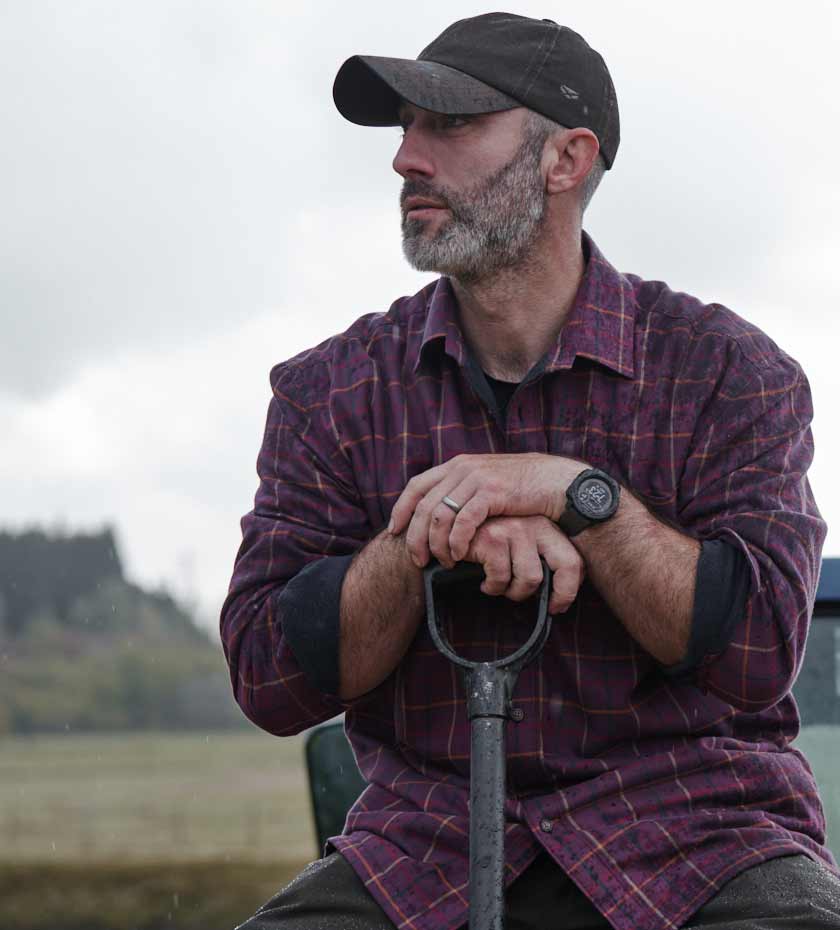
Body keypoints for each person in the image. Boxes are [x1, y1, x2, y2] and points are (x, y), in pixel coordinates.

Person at [221, 12, 840, 930]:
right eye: (404, 128)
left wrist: (573, 494)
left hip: (703, 844)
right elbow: (272, 682)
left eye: (450, 125)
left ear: (567, 159)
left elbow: (755, 657)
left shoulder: (728, 374)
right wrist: (427, 534)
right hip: (421, 850)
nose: (405, 159)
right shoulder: (330, 393)